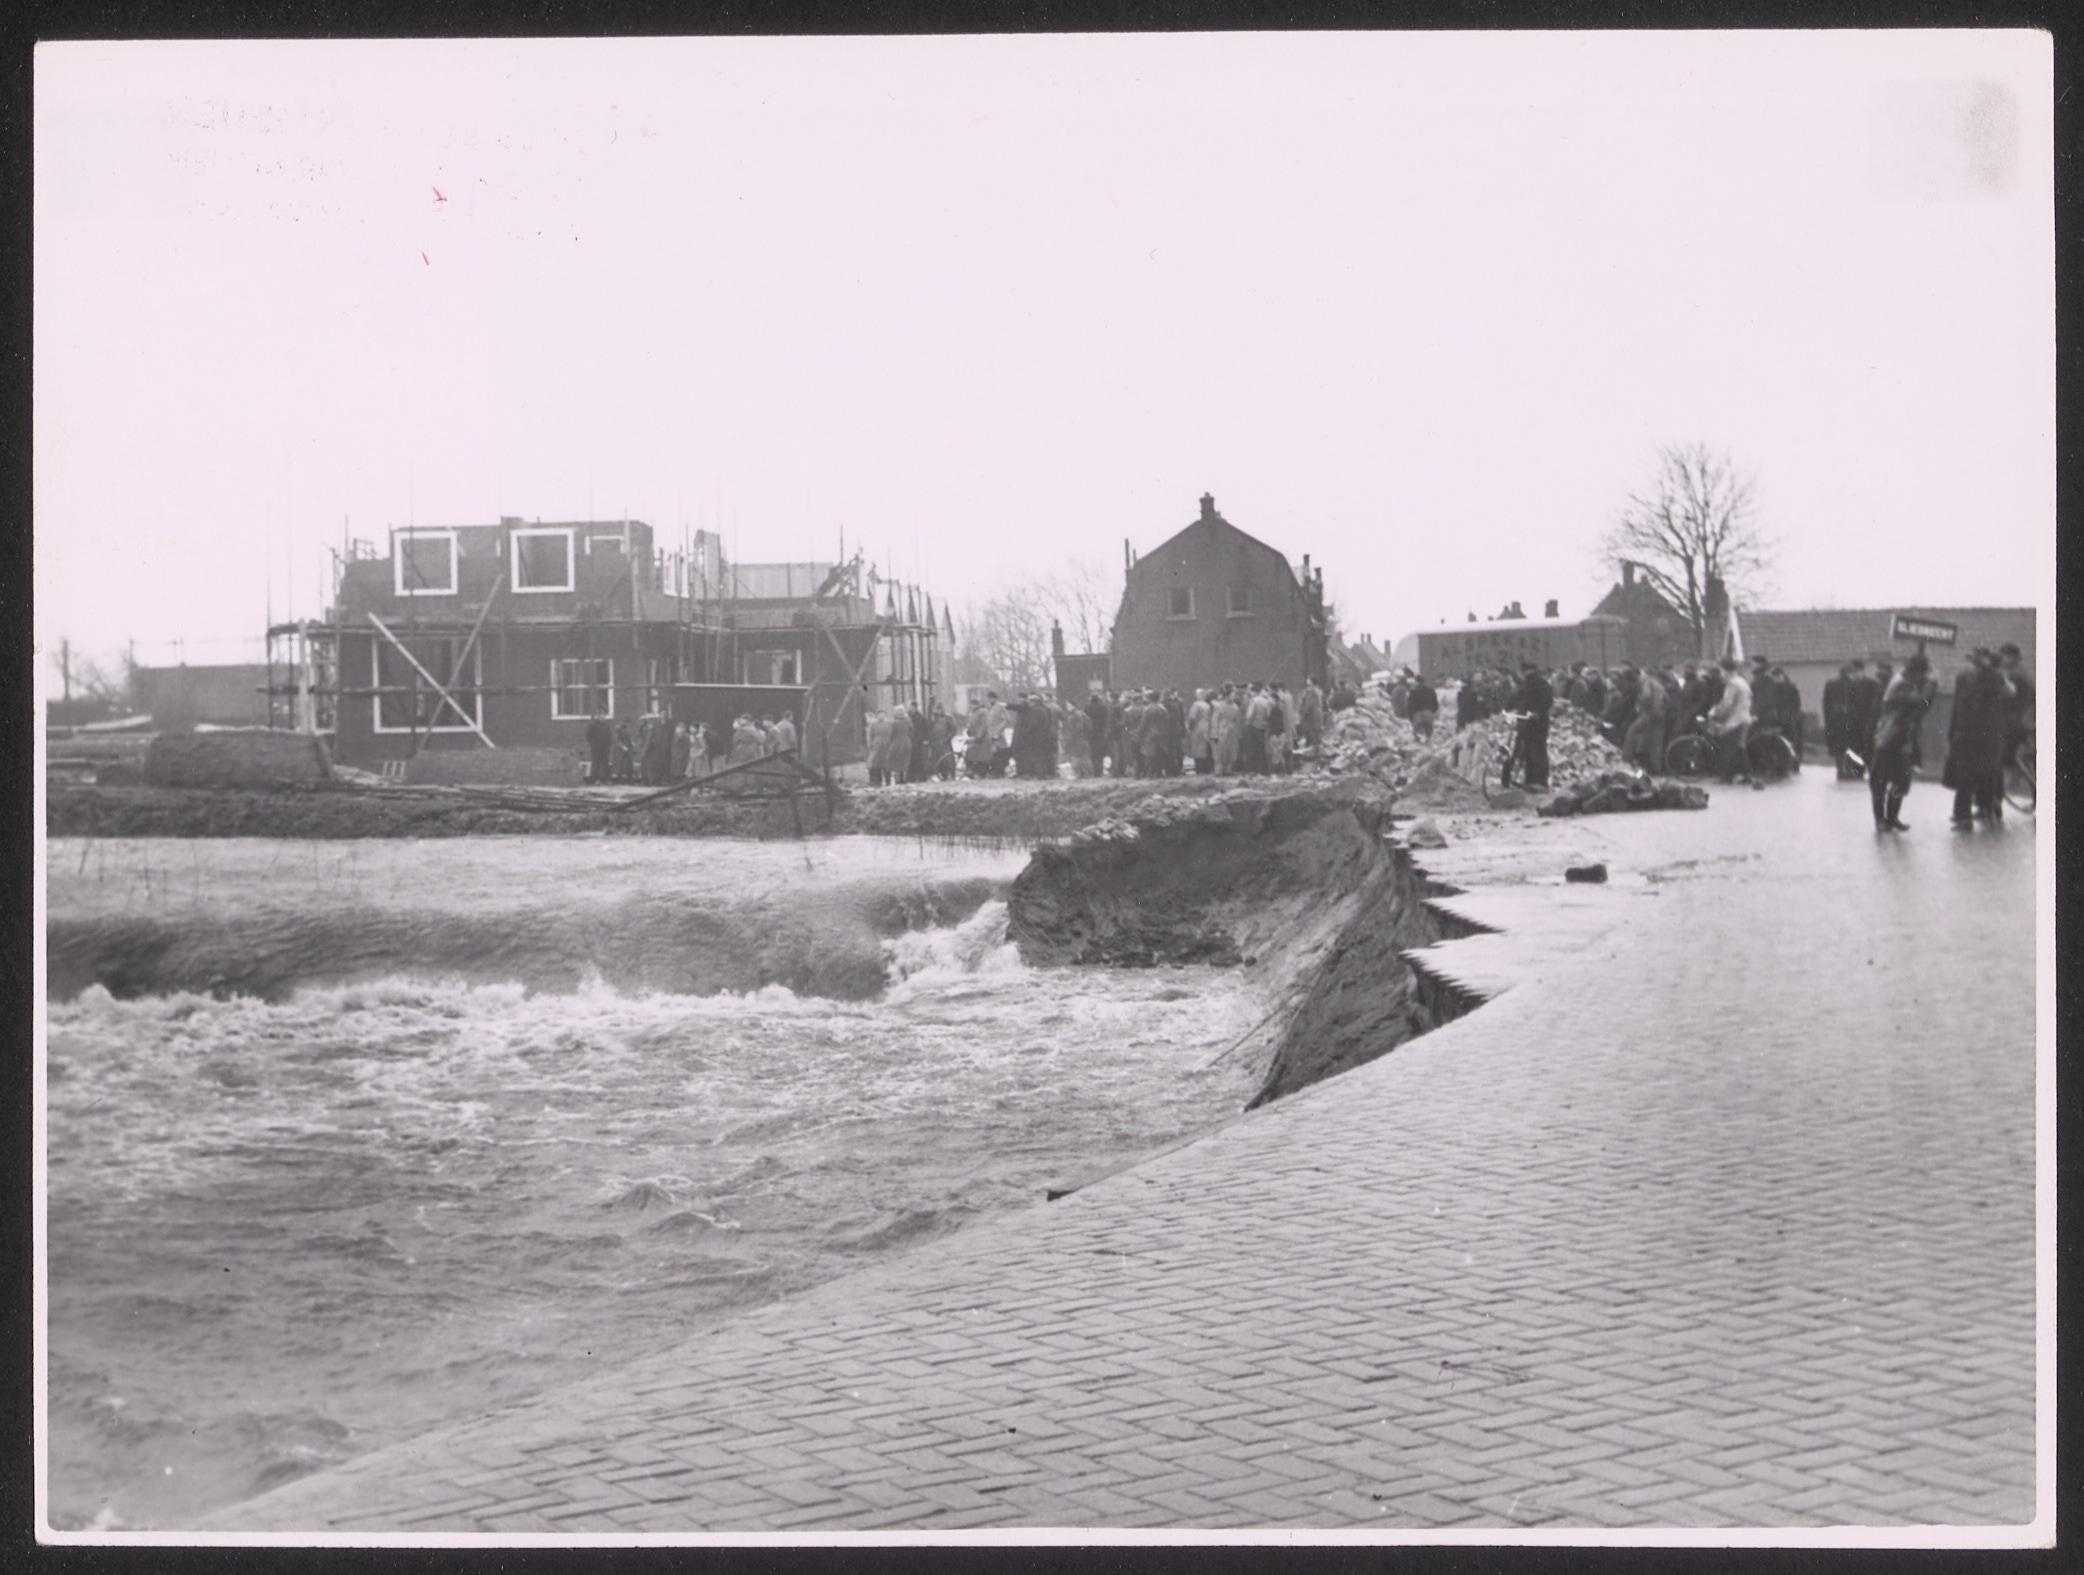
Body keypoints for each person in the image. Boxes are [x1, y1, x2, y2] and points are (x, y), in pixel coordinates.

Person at [1943, 648, 2012, 827]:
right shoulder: (1977, 677)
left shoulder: (1985, 677)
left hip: (1980, 734)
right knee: (1974, 774)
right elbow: (1957, 705)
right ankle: (1973, 813)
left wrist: (1953, 732)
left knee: (1977, 775)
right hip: (1976, 734)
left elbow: (2008, 692)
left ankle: (1975, 812)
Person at [1870, 652, 1935, 831]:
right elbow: (1918, 702)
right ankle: (1881, 819)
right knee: (1880, 781)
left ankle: (1892, 817)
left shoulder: (1910, 682)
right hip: (1888, 736)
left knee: (1901, 780)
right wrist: (1928, 689)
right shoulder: (1901, 683)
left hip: (1902, 739)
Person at [1705, 656, 1753, 785]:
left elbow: (1727, 703)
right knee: (1740, 747)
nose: (1720, 674)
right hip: (1745, 718)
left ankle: (1726, 776)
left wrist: (1715, 712)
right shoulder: (1742, 681)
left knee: (1727, 748)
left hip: (1735, 720)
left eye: (1721, 670)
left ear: (1726, 670)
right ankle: (1747, 775)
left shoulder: (1732, 684)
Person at [1506, 659, 1552, 790]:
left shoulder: (1540, 684)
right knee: (1529, 752)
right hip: (1527, 722)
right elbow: (1517, 699)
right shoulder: (1528, 684)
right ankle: (1531, 781)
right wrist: (1508, 709)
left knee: (1537, 751)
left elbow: (1547, 701)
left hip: (1537, 723)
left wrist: (1537, 712)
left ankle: (1541, 782)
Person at [1623, 666, 1667, 773]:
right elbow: (1666, 699)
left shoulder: (1646, 683)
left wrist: (1640, 705)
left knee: (1632, 731)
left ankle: (1626, 759)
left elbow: (1646, 697)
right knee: (1656, 742)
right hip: (1661, 713)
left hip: (1650, 712)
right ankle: (1656, 769)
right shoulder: (1657, 683)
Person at [1406, 672, 1438, 741]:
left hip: (1418, 715)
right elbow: (1435, 703)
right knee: (1428, 736)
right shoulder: (1431, 690)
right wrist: (1432, 712)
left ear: (1416, 682)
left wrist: (1411, 717)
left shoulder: (1413, 691)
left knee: (1418, 736)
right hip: (1428, 714)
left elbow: (1410, 705)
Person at [585, 710, 614, 784]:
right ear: (598, 716)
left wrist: (609, 744)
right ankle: (596, 779)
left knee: (605, 763)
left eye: (604, 716)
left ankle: (605, 779)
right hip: (596, 748)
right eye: (602, 716)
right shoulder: (593, 725)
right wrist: (593, 744)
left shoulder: (606, 725)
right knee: (596, 763)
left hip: (605, 748)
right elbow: (588, 736)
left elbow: (609, 735)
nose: (604, 718)